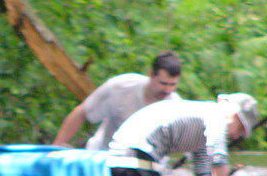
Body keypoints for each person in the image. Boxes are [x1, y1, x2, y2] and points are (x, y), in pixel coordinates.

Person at [106, 93, 259, 176]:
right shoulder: (217, 115)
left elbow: (202, 173)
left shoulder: (203, 126)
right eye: (240, 129)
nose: (236, 136)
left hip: (118, 158)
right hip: (137, 154)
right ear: (234, 115)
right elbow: (219, 159)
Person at [52, 51, 182, 150]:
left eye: (172, 85)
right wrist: (56, 147)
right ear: (151, 74)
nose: (167, 90)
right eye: (163, 83)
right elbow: (82, 112)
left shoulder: (176, 108)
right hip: (103, 155)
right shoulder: (121, 87)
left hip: (145, 168)